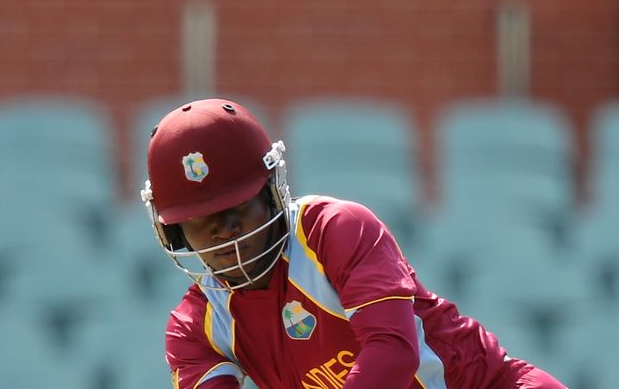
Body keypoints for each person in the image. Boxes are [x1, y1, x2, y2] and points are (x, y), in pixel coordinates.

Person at [140, 98, 567, 389]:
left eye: (238, 207)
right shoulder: (192, 329)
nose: (225, 230)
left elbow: (394, 352)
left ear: (272, 189)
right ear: (173, 231)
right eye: (201, 221)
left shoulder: (335, 229)